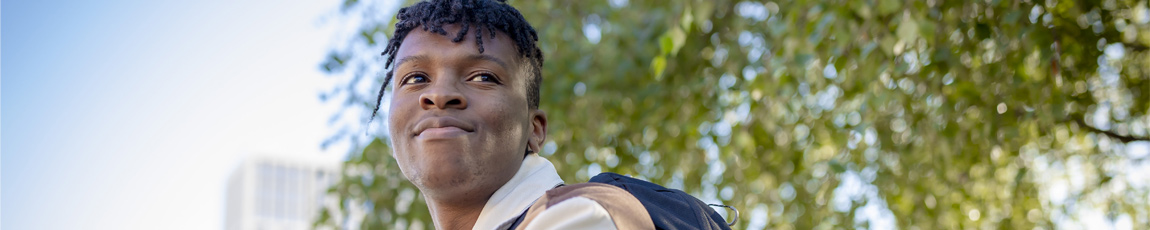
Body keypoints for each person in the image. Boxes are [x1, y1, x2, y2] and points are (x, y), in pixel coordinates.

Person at [369, 0, 654, 229]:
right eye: (416, 78)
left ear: (535, 129)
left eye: (482, 77)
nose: (439, 94)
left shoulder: (576, 217)